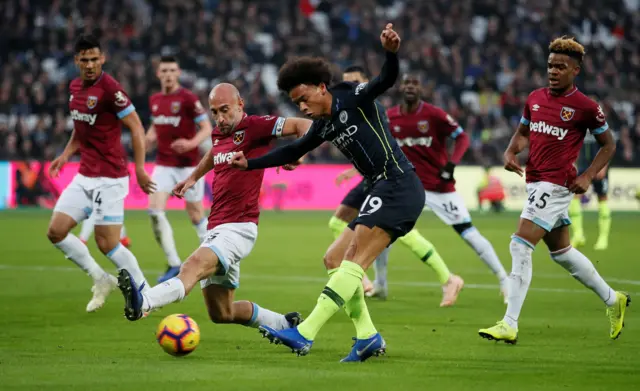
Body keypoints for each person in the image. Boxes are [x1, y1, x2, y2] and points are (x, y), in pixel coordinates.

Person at [230, 24, 421, 362]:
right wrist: (251, 164)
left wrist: (391, 52)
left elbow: (385, 80)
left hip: (398, 183)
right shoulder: (323, 124)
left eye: (304, 99)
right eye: (295, 103)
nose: (301, 107)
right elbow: (292, 151)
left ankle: (304, 333)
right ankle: (367, 337)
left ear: (321, 87)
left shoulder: (352, 96)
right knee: (334, 259)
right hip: (382, 188)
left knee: (353, 261)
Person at [117, 83, 310, 334]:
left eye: (225, 110)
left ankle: (144, 302)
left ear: (240, 104)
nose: (219, 118)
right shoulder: (219, 134)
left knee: (192, 266)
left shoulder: (255, 126)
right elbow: (213, 155)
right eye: (214, 112)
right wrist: (192, 178)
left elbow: (304, 126)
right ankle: (285, 324)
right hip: (217, 227)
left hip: (239, 228)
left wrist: (298, 154)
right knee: (222, 312)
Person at [478, 36, 630, 344]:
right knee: (562, 253)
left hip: (557, 183)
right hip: (535, 180)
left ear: (576, 70)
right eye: (550, 66)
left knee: (520, 245)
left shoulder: (586, 107)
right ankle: (614, 300)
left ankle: (510, 323)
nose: (553, 71)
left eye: (561, 67)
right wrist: (511, 152)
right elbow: (524, 131)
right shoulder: (535, 98)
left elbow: (609, 145)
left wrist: (588, 175)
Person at [46, 34, 155, 313]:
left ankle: (147, 294)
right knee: (56, 232)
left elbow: (136, 127)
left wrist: (140, 168)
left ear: (102, 59)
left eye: (95, 59)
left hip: (111, 177)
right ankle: (100, 278)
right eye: (85, 60)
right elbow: (81, 129)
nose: (91, 64)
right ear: (77, 61)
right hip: (85, 176)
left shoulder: (110, 89)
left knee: (107, 243)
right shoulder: (74, 88)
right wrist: (66, 154)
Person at [333, 68, 457, 305]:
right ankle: (369, 281)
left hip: (389, 178)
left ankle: (447, 278)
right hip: (371, 177)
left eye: (355, 83)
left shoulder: (372, 109)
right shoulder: (349, 110)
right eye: (345, 84)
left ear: (366, 84)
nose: (350, 88)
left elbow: (385, 147)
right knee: (340, 222)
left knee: (397, 232)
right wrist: (352, 170)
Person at [386, 73, 507, 301]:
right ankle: (381, 284)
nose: (410, 87)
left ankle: (503, 278)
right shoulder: (391, 117)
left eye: (415, 83)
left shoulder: (433, 115)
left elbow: (462, 138)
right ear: (400, 87)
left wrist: (452, 164)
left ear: (422, 89)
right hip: (409, 188)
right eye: (406, 82)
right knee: (383, 230)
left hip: (438, 187)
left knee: (468, 234)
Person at [145, 55, 214, 282]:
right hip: (163, 165)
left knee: (196, 215)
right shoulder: (155, 99)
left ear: (178, 73)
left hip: (187, 167)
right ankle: (174, 263)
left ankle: (214, 258)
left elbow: (206, 127)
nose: (168, 74)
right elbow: (157, 126)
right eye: (164, 71)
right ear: (158, 74)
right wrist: (145, 143)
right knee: (155, 211)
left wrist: (192, 143)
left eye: (172, 70)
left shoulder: (187, 98)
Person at [569, 130, 611, 250]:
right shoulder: (580, 122)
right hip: (582, 167)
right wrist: (574, 163)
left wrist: (604, 166)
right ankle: (578, 235)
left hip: (598, 166)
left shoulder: (600, 122)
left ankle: (603, 238)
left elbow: (609, 145)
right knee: (574, 197)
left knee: (602, 198)